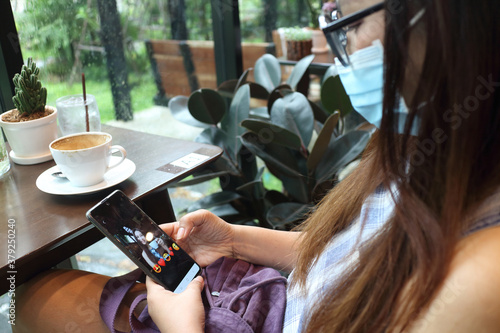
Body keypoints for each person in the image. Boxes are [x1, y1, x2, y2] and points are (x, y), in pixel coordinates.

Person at [13, 0, 500, 332]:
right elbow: (356, 252)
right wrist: (235, 239)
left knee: (32, 301)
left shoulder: (479, 281)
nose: (337, 50)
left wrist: (180, 325)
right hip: (280, 301)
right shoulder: (430, 152)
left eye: (345, 21)